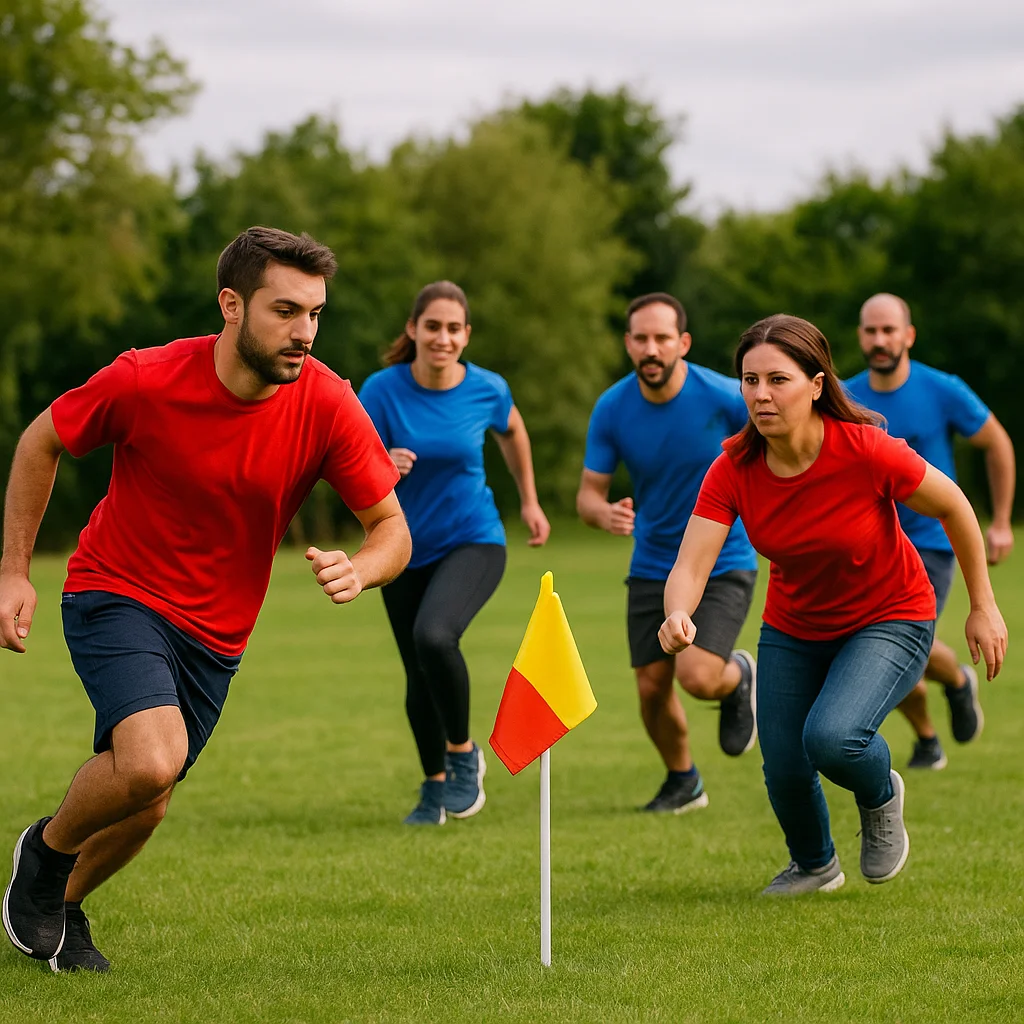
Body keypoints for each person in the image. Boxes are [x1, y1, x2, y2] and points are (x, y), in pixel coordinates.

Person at [1, 227, 410, 972]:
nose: (305, 332)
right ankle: (44, 853)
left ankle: (59, 909)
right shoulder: (145, 378)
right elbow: (40, 440)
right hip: (115, 590)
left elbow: (391, 527)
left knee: (147, 796)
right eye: (286, 311)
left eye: (315, 314)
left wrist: (367, 568)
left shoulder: (326, 402)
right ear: (231, 304)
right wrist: (13, 571)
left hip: (216, 636)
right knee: (152, 762)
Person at [659, 314, 1006, 895]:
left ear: (816, 385)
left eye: (778, 379)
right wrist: (678, 612)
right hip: (795, 626)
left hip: (891, 614)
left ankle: (880, 793)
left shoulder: (866, 450)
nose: (760, 394)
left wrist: (983, 605)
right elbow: (691, 565)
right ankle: (815, 865)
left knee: (833, 736)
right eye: (749, 381)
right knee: (786, 764)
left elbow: (955, 507)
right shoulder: (733, 469)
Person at [359, 281, 550, 826]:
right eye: (432, 326)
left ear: (465, 335)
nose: (442, 337)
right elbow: (354, 462)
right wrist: (382, 467)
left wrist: (530, 501)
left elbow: (513, 431)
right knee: (417, 674)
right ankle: (434, 788)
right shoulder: (382, 389)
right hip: (399, 546)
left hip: (473, 538)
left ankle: (464, 755)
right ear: (413, 330)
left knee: (434, 636)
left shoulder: (487, 389)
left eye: (453, 328)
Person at [577, 293, 758, 814]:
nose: (650, 349)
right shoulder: (613, 408)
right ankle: (684, 781)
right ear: (628, 344)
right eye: (640, 339)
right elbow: (588, 495)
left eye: (661, 339)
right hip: (653, 562)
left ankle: (738, 676)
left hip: (724, 560)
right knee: (652, 689)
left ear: (683, 343)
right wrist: (602, 513)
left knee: (697, 676)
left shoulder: (726, 398)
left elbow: (775, 451)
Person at [846, 293, 1016, 770]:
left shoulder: (942, 389)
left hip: (930, 542)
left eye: (889, 330)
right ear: (860, 336)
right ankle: (933, 725)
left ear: (908, 335)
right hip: (867, 544)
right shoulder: (845, 396)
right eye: (870, 331)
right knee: (873, 644)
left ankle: (953, 692)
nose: (879, 340)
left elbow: (997, 443)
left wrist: (1000, 521)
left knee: (884, 642)